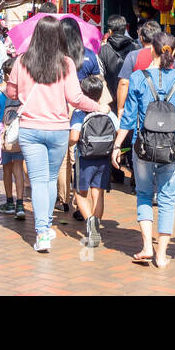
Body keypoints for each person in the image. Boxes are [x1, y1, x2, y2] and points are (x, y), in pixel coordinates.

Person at [6, 16, 101, 253]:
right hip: (58, 129)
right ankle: (45, 227)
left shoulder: (22, 61)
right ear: (59, 36)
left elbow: (12, 92)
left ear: (36, 35)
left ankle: (42, 233)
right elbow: (75, 99)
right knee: (48, 179)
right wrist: (98, 107)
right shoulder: (66, 63)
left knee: (38, 181)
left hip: (30, 128)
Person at [111, 33, 175, 269]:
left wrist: (118, 145)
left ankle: (146, 248)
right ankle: (161, 255)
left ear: (152, 51)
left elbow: (128, 118)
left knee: (143, 194)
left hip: (143, 148)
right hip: (173, 148)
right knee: (168, 200)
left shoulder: (138, 78)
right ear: (174, 53)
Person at [58, 17, 103, 215]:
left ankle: (63, 199)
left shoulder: (56, 58)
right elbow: (99, 83)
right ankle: (79, 203)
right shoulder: (90, 56)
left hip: (60, 108)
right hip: (85, 108)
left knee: (63, 157)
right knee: (80, 155)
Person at [68, 74, 118, 247]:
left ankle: (89, 222)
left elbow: (74, 136)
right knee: (98, 193)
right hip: (103, 158)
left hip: (84, 157)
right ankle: (96, 223)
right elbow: (116, 130)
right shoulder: (107, 111)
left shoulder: (79, 113)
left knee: (81, 194)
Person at [0, 63, 27, 218]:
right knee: (18, 168)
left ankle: (9, 202)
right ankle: (20, 205)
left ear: (5, 74)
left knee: (6, 169)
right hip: (19, 133)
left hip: (4, 134)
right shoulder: (23, 91)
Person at [115, 20, 161, 116]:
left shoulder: (133, 56)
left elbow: (124, 83)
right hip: (163, 110)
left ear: (141, 38)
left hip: (139, 110)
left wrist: (120, 108)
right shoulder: (168, 58)